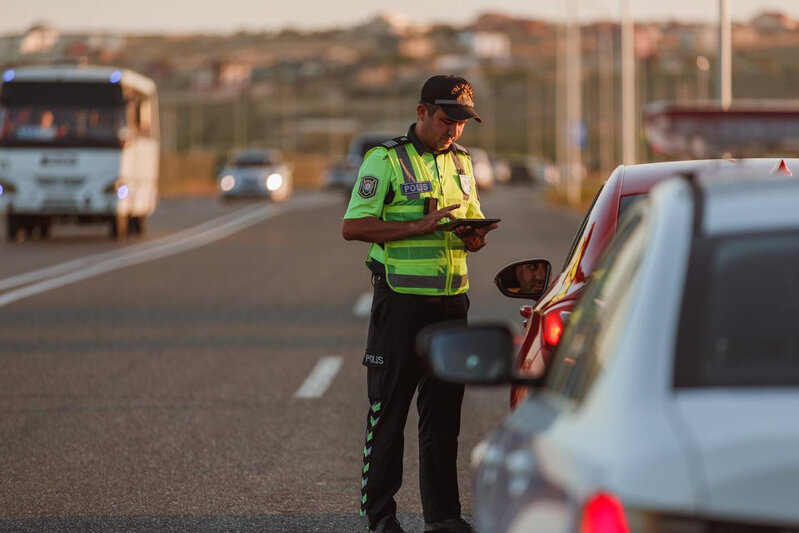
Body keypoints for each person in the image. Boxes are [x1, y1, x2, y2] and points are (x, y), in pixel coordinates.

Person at [342, 75, 498, 533]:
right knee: (388, 415)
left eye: (462, 124)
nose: (454, 131)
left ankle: (444, 517)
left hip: (451, 305)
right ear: (422, 113)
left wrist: (474, 238)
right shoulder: (385, 160)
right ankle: (381, 518)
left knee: (444, 419)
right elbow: (353, 227)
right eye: (447, 120)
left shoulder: (463, 163)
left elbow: (467, 225)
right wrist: (416, 228)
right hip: (401, 305)